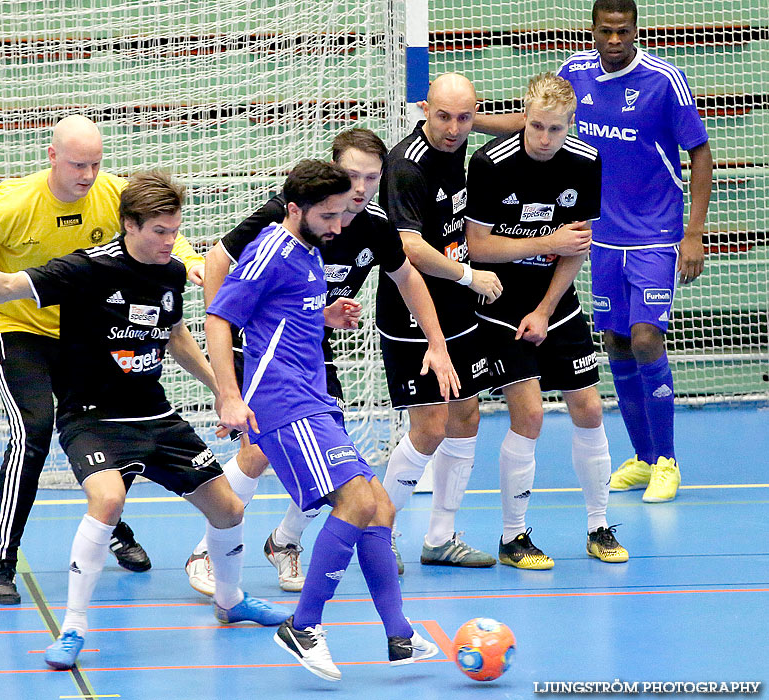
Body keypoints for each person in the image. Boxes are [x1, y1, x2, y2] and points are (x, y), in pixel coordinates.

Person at [0, 170, 289, 671]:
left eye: (175, 231)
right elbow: (14, 284)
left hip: (156, 414)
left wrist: (223, 391)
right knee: (108, 499)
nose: (170, 242)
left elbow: (175, 336)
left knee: (230, 509)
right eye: (159, 232)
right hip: (94, 417)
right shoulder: (87, 269)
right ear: (129, 224)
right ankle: (75, 627)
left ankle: (230, 602)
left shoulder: (169, 273)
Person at [0, 116, 207, 604]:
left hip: (87, 334)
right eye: (79, 164)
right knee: (32, 432)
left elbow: (164, 232)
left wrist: (194, 262)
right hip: (22, 331)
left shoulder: (114, 195)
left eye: (96, 164)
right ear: (52, 156)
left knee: (111, 427)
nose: (88, 174)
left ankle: (114, 526)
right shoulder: (10, 205)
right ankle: (2, 561)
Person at [185, 128, 458, 595]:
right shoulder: (289, 215)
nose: (360, 187)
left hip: (312, 343)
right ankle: (207, 550)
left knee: (334, 459)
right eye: (351, 175)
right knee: (259, 452)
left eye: (371, 178)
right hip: (266, 348)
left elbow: (408, 277)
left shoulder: (373, 225)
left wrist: (437, 342)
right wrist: (232, 339)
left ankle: (284, 541)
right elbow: (217, 261)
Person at [206, 160, 439, 681]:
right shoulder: (271, 250)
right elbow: (220, 318)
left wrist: (324, 315)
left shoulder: (310, 253)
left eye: (341, 215)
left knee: (378, 505)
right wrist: (229, 396)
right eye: (328, 216)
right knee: (356, 501)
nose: (338, 227)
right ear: (295, 209)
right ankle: (303, 626)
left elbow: (283, 312)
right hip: (282, 401)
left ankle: (399, 633)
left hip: (313, 396)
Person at [378, 73, 588, 572]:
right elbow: (408, 247)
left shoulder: (465, 147)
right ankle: (377, 529)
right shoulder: (407, 168)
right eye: (444, 116)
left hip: (457, 309)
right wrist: (469, 274)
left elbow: (525, 121)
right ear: (424, 109)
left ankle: (440, 537)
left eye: (465, 118)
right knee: (429, 427)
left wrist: (543, 117)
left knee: (466, 416)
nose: (453, 129)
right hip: (412, 308)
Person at [466, 73, 628, 568]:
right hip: (498, 306)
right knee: (530, 415)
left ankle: (598, 526)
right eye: (535, 126)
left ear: (570, 125)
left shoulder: (585, 161)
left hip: (553, 303)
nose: (543, 139)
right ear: (523, 116)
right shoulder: (489, 162)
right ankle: (513, 537)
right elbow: (478, 246)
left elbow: (576, 248)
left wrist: (545, 309)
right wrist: (543, 244)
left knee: (590, 409)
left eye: (555, 130)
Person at [558, 0, 713, 502]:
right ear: (594, 31)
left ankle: (668, 460)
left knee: (647, 339)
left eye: (624, 32)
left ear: (635, 31)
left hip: (656, 234)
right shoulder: (573, 75)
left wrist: (694, 233)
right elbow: (537, 122)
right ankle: (644, 460)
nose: (615, 40)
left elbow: (701, 154)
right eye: (607, 31)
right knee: (617, 342)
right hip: (600, 236)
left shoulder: (666, 80)